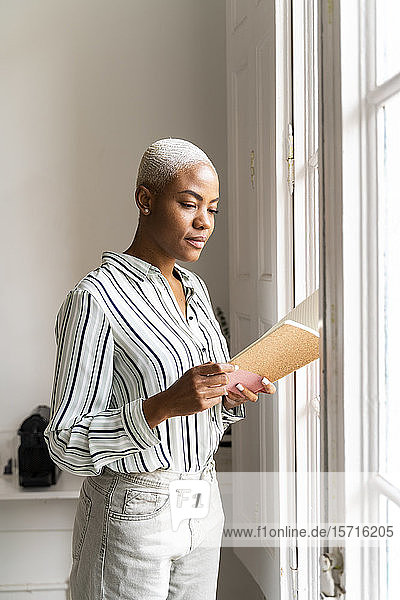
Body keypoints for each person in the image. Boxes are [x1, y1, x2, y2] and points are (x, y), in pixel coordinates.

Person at [44, 137, 276, 600]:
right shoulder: (95, 298)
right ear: (145, 199)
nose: (204, 223)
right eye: (189, 204)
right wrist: (162, 406)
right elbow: (64, 445)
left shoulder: (196, 289)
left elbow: (200, 403)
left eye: (213, 209)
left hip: (203, 508)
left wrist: (226, 398)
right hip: (130, 518)